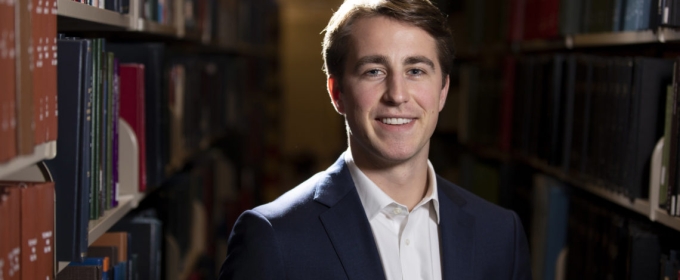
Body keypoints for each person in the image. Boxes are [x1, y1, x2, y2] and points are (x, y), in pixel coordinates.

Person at [218, 0, 532, 279]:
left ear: (443, 91)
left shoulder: (501, 234)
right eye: (373, 71)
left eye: (416, 71)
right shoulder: (273, 237)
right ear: (337, 93)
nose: (397, 95)